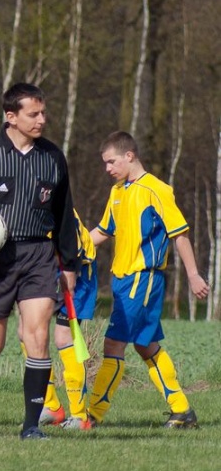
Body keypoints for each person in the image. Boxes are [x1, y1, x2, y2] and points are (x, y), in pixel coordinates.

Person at [0, 82, 78, 441]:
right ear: (11, 117)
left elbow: (65, 213)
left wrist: (69, 265)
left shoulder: (53, 156)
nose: (42, 120)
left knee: (38, 338)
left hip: (38, 255)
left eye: (43, 113)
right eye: (33, 114)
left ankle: (31, 426)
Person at [86, 131, 208, 428]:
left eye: (111, 161)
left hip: (144, 279)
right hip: (121, 280)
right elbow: (102, 232)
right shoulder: (117, 191)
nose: (107, 168)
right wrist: (71, 251)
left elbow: (179, 234)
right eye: (104, 163)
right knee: (145, 345)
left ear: (130, 155)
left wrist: (193, 275)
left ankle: (91, 415)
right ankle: (182, 410)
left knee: (114, 344)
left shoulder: (156, 189)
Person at [33, 209, 97, 430]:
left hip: (77, 272)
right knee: (28, 333)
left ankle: (80, 416)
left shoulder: (53, 202)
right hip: (47, 271)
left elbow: (75, 245)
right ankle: (51, 406)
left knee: (63, 337)